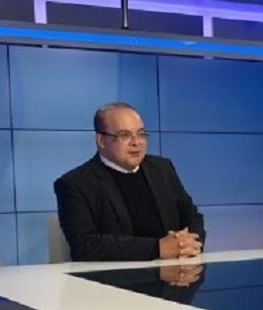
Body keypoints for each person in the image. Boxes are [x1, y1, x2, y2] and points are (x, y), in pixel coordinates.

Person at [54, 102, 204, 261]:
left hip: (175, 270)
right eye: (125, 135)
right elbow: (85, 245)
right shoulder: (74, 184)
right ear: (101, 140)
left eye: (141, 134)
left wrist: (188, 243)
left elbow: (192, 217)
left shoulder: (162, 168)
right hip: (115, 275)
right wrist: (157, 248)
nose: (136, 142)